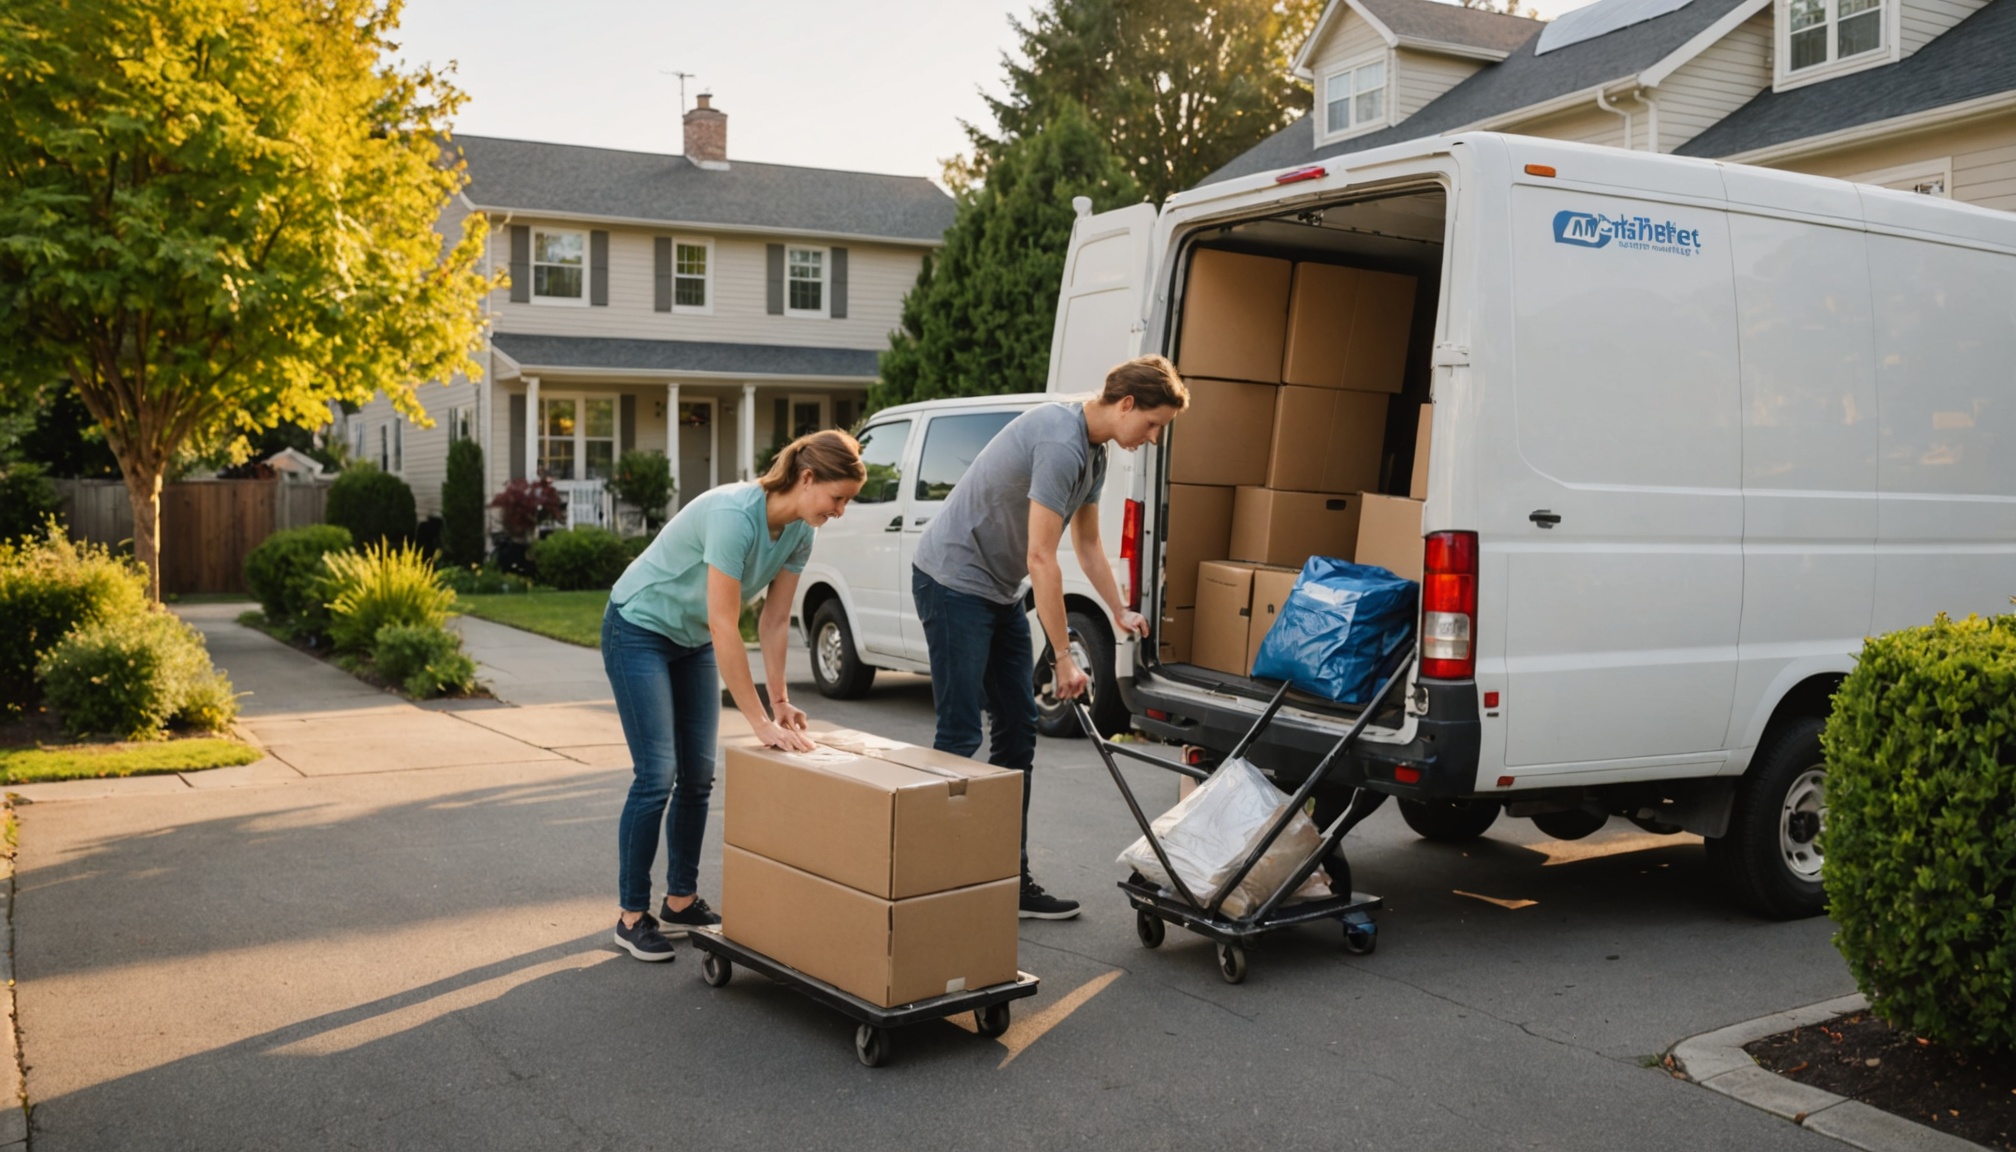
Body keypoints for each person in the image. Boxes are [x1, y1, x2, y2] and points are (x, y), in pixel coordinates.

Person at [911, 355, 1190, 919]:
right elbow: (1042, 556)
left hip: (996, 590)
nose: (1154, 438)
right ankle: (930, 881)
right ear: (1127, 404)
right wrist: (1064, 658)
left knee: (1018, 729)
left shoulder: (1095, 453)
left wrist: (1118, 610)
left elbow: (1086, 544)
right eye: (1154, 424)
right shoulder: (1061, 442)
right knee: (961, 731)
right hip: (951, 580)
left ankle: (1007, 877)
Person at [602, 429, 866, 962]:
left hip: (691, 638)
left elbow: (772, 622)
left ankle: (681, 900)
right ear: (808, 478)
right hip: (639, 628)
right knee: (657, 774)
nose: (840, 511)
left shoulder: (800, 533)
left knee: (698, 775)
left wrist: (781, 701)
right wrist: (757, 722)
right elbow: (726, 624)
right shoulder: (734, 515)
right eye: (837, 498)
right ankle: (632, 916)